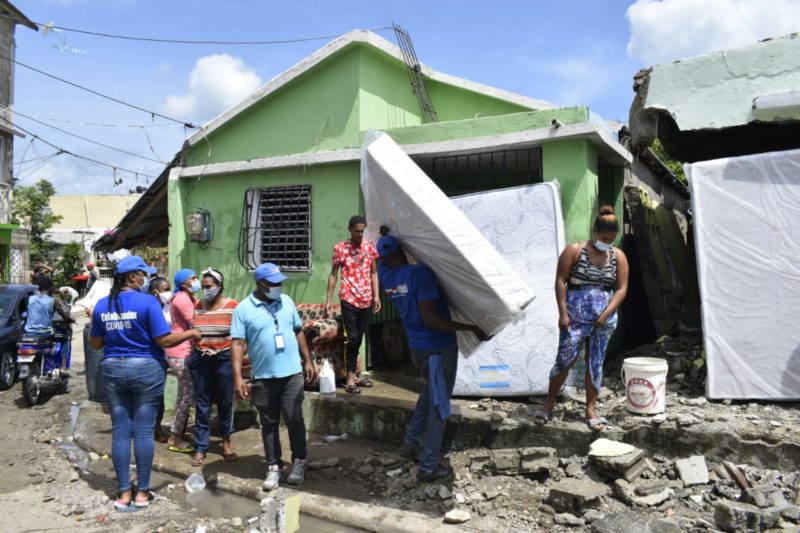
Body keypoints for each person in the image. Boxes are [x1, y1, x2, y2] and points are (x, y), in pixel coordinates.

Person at [88, 256, 200, 512]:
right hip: (145, 368)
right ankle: (142, 493)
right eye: (143, 274)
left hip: (114, 367)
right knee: (143, 431)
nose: (146, 278)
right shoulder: (148, 302)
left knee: (120, 431)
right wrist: (192, 333)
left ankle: (124, 493)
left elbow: (95, 344)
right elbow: (165, 340)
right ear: (131, 277)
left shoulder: (103, 304)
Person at [376, 228, 489, 482]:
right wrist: (470, 328)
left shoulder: (385, 275)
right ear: (404, 251)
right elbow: (431, 318)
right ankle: (428, 467)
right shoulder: (421, 274)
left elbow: (383, 253)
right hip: (439, 348)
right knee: (440, 405)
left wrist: (385, 233)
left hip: (417, 348)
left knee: (429, 393)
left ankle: (410, 444)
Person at [535, 205, 629, 432]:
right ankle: (548, 405)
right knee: (565, 359)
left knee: (595, 364)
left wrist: (606, 314)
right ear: (595, 231)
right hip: (575, 318)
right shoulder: (575, 251)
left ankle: (591, 410)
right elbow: (560, 281)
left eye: (612, 238)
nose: (608, 242)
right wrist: (563, 313)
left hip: (603, 321)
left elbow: (621, 289)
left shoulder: (618, 256)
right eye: (604, 237)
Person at [231, 263, 318, 491]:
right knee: (268, 423)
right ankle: (273, 465)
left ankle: (299, 461)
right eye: (273, 283)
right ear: (260, 284)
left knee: (294, 418)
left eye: (279, 282)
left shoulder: (286, 302)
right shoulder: (243, 309)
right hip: (263, 377)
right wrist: (238, 377)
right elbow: (238, 344)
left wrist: (307, 360)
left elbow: (298, 331)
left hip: (292, 374)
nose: (278, 286)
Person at [325, 215, 381, 394]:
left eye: (362, 231)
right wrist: (328, 299)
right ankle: (349, 376)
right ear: (349, 229)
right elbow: (334, 274)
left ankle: (355, 375)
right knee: (353, 337)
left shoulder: (369, 248)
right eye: (357, 231)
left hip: (366, 299)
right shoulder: (340, 249)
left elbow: (373, 273)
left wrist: (376, 296)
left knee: (359, 337)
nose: (360, 234)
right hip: (348, 298)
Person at [189, 268, 238, 467]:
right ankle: (201, 447)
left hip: (224, 359)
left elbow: (238, 336)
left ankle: (226, 443)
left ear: (219, 286)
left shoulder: (232, 306)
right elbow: (194, 332)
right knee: (202, 405)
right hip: (201, 359)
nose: (206, 290)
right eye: (204, 286)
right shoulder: (198, 306)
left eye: (209, 286)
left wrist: (228, 356)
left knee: (226, 403)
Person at [164, 269, 200, 454]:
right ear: (183, 283)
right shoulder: (182, 299)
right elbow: (195, 322)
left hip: (182, 351)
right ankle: (175, 436)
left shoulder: (188, 297)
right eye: (192, 278)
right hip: (180, 352)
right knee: (188, 394)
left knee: (183, 393)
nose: (196, 281)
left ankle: (178, 431)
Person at [148, 277, 172, 444]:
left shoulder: (170, 306)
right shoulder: (150, 308)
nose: (168, 292)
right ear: (154, 292)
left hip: (167, 356)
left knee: (159, 397)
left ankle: (157, 428)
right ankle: (151, 430)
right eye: (165, 289)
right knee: (150, 397)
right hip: (153, 356)